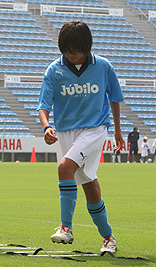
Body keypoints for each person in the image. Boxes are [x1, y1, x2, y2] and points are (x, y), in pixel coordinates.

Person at [37, 21, 124, 252]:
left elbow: (114, 98)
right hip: (66, 132)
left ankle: (65, 227)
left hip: (94, 129)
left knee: (64, 168)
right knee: (90, 186)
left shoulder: (103, 66)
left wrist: (117, 130)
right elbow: (43, 106)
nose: (70, 55)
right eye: (66, 50)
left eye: (75, 50)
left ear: (87, 47)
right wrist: (46, 127)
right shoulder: (54, 70)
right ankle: (109, 238)